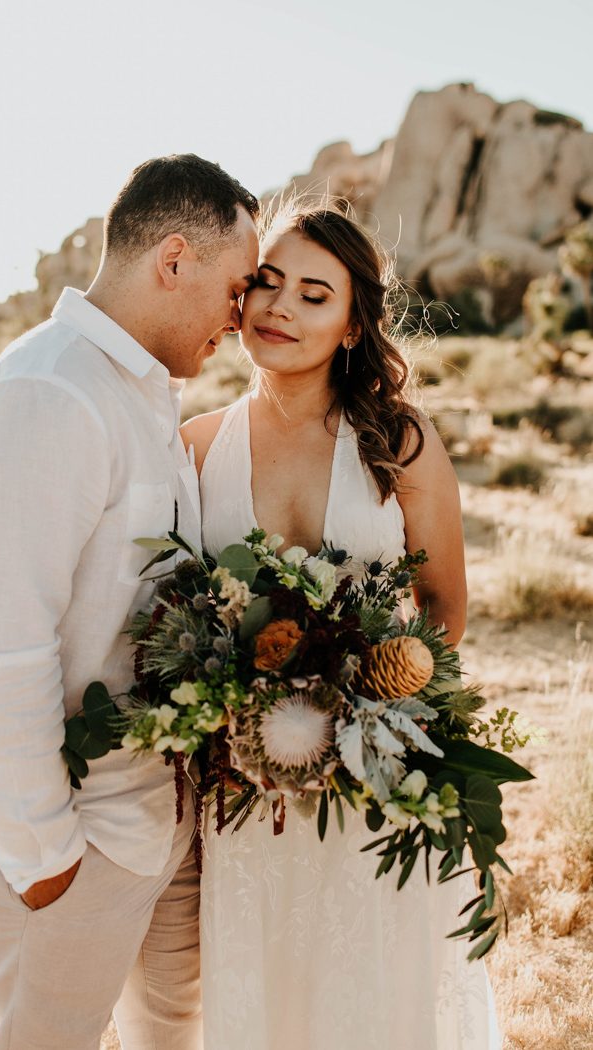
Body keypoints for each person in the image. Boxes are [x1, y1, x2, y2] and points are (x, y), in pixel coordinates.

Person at [0, 153, 259, 1050]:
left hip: (149, 816)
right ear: (174, 259)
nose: (242, 319)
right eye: (235, 289)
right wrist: (45, 863)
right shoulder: (46, 396)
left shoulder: (141, 394)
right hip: (66, 831)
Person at [181, 202, 501, 1049]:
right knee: (266, 982)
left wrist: (374, 710)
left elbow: (444, 607)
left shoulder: (395, 441)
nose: (279, 307)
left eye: (314, 295)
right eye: (268, 283)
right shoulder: (195, 445)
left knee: (375, 989)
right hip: (244, 782)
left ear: (354, 323)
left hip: (377, 774)